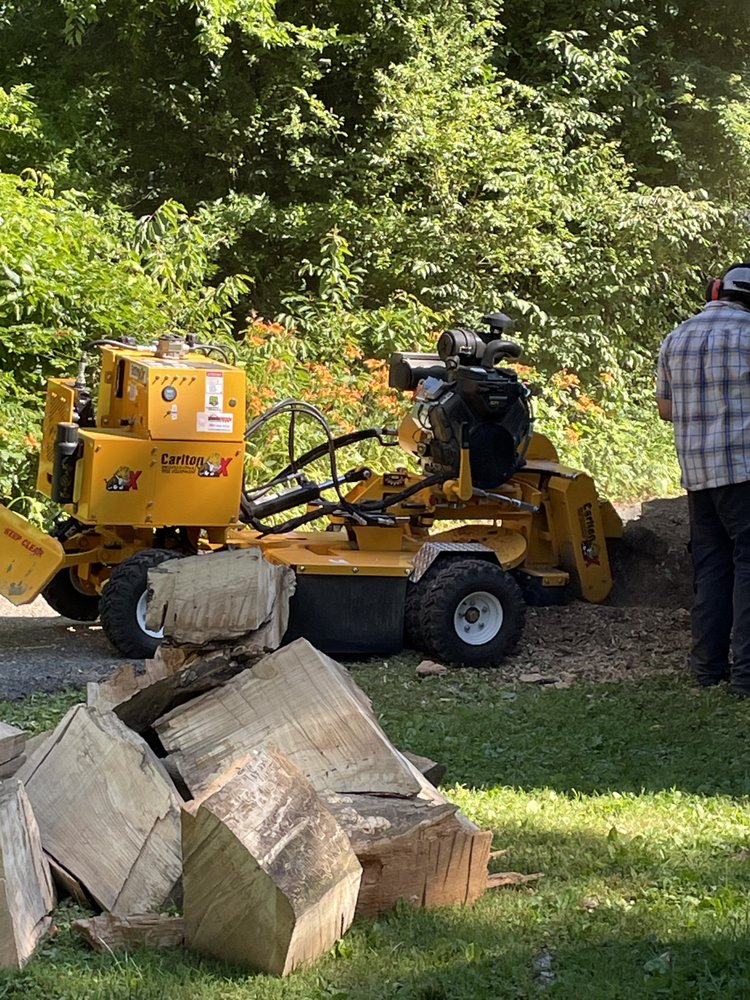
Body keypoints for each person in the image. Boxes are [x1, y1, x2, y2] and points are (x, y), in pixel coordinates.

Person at [656, 263, 750, 696]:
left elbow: (666, 410)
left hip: (699, 474)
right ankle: (746, 676)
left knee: (712, 567)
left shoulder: (677, 337)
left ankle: (707, 670)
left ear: (717, 291)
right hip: (745, 472)